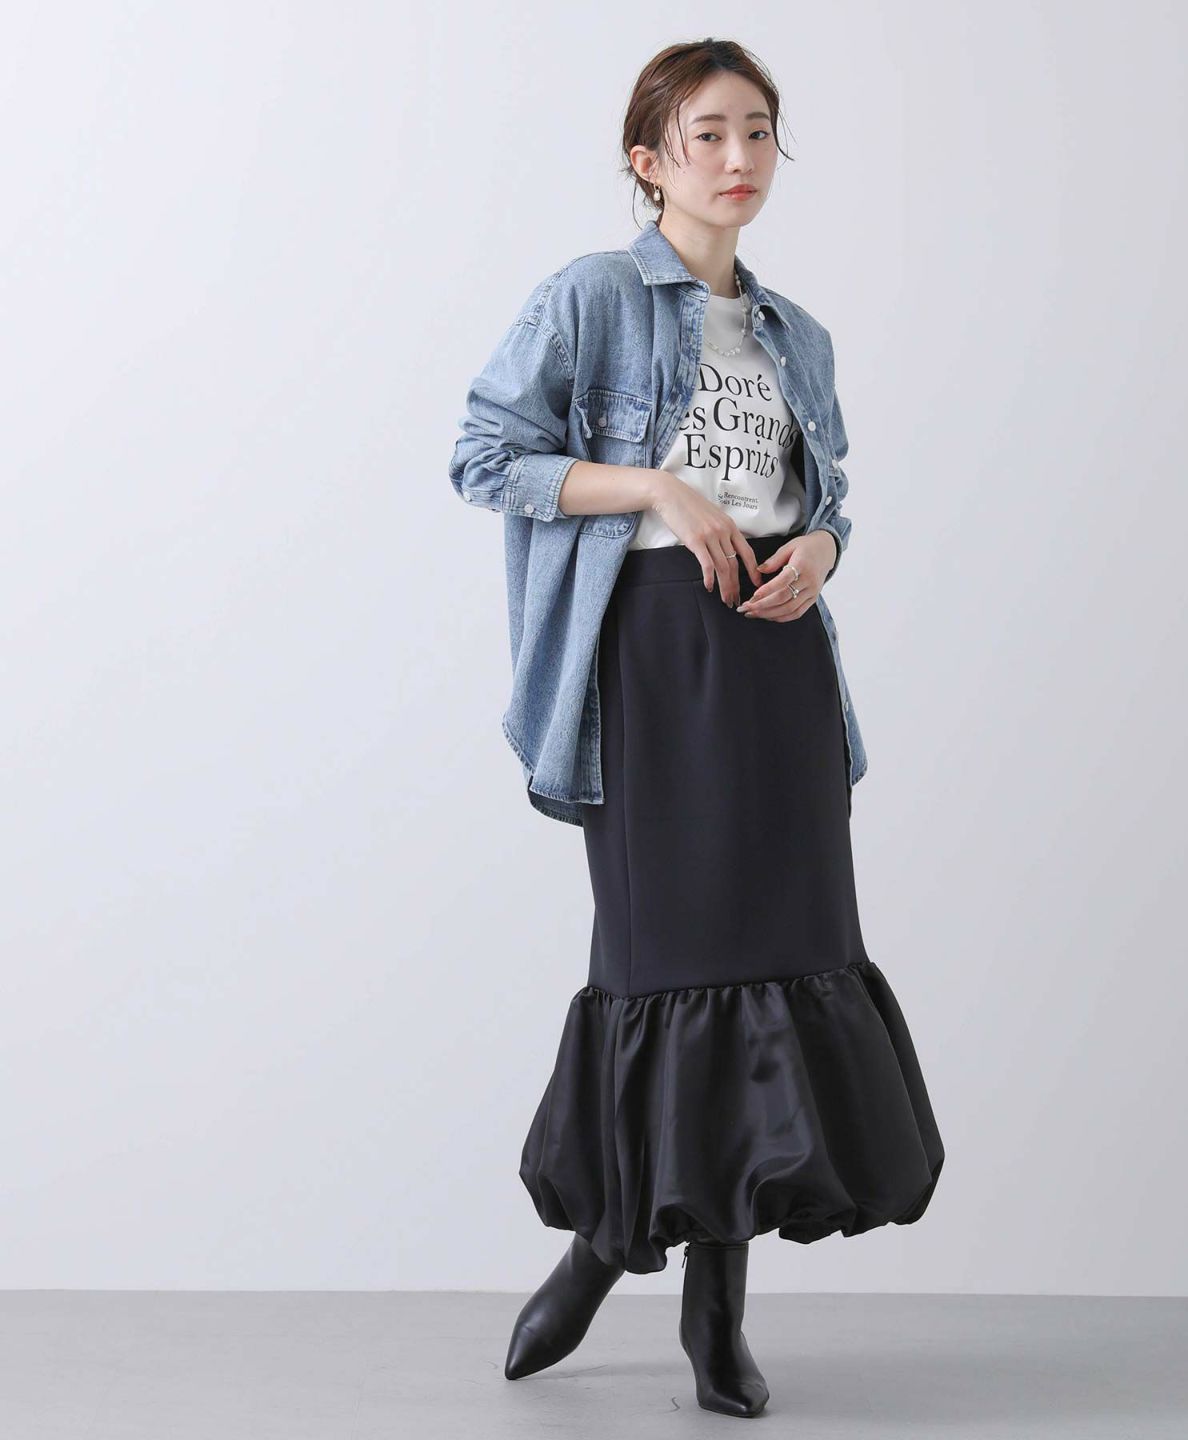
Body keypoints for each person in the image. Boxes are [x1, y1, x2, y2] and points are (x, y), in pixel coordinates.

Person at [449, 37, 945, 1420]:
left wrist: (824, 549)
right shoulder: (593, 299)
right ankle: (606, 1245)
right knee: (660, 964)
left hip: (779, 669)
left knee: (776, 964)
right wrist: (658, 490)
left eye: (760, 132)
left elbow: (822, 499)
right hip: (652, 662)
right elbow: (484, 455)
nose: (739, 158)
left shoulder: (800, 336)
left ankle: (715, 1311)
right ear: (648, 158)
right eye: (709, 134)